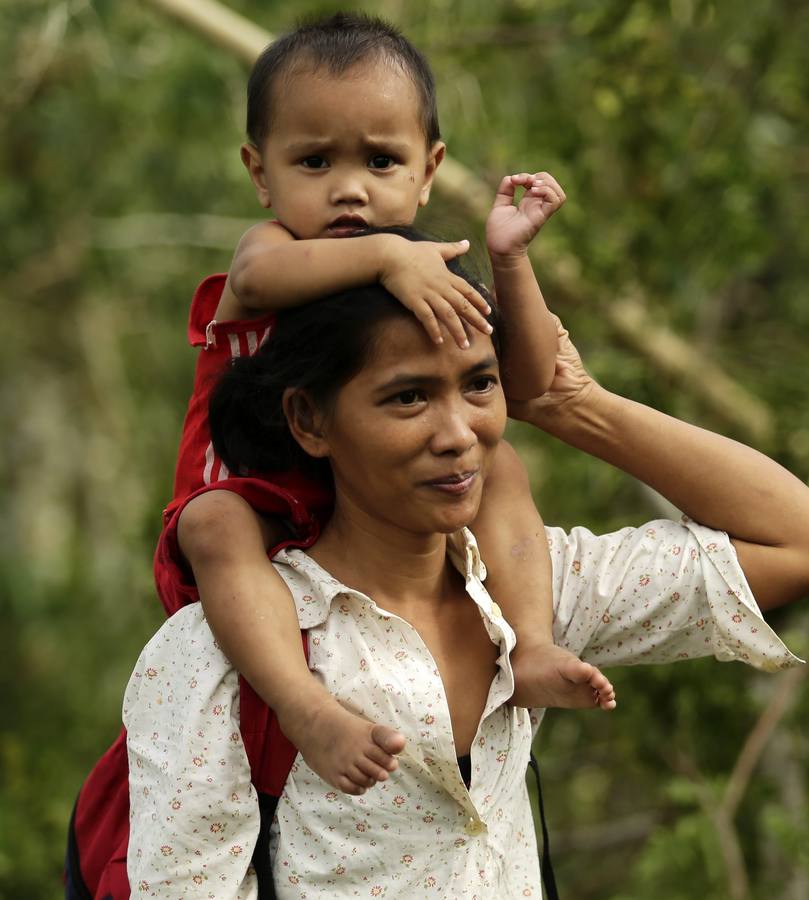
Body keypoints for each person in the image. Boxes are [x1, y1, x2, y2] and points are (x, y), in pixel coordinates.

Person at [124, 240, 807, 897]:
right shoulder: (225, 648)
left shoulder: (529, 591)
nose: (457, 435)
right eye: (407, 398)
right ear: (309, 420)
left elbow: (794, 543)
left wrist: (573, 405)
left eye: (479, 384)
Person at [156, 11, 614, 800]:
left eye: (380, 159)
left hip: (365, 503)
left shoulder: (424, 274)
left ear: (428, 167)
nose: (349, 189)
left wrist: (508, 261)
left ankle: (530, 646)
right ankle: (308, 709)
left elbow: (531, 380)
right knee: (212, 526)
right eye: (313, 161)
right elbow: (259, 288)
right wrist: (388, 256)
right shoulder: (273, 250)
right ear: (260, 172)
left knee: (496, 462)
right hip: (250, 496)